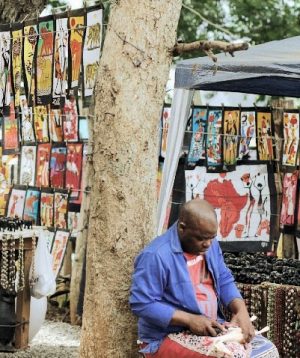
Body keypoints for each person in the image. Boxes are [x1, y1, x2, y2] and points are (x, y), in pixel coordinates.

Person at [130, 199, 279, 357]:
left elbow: (223, 278)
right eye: (201, 238)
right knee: (232, 356)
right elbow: (142, 303)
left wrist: (241, 310)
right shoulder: (156, 255)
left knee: (268, 351)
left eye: (212, 237)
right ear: (182, 228)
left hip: (210, 328)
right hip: (166, 337)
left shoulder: (210, 244)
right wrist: (189, 320)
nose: (208, 244)